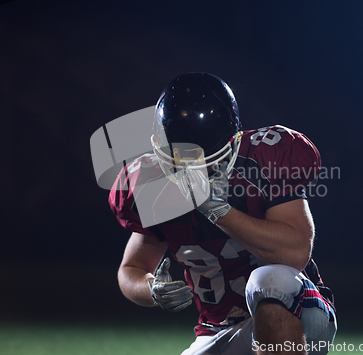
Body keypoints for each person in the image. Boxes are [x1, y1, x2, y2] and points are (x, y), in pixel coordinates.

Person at [109, 72, 337, 355]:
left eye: (207, 161)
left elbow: (294, 253)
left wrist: (217, 210)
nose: (194, 172)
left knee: (268, 280)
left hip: (298, 314)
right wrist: (151, 288)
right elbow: (132, 268)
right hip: (217, 329)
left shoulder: (261, 160)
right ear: (158, 146)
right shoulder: (151, 185)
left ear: (234, 142)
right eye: (180, 160)